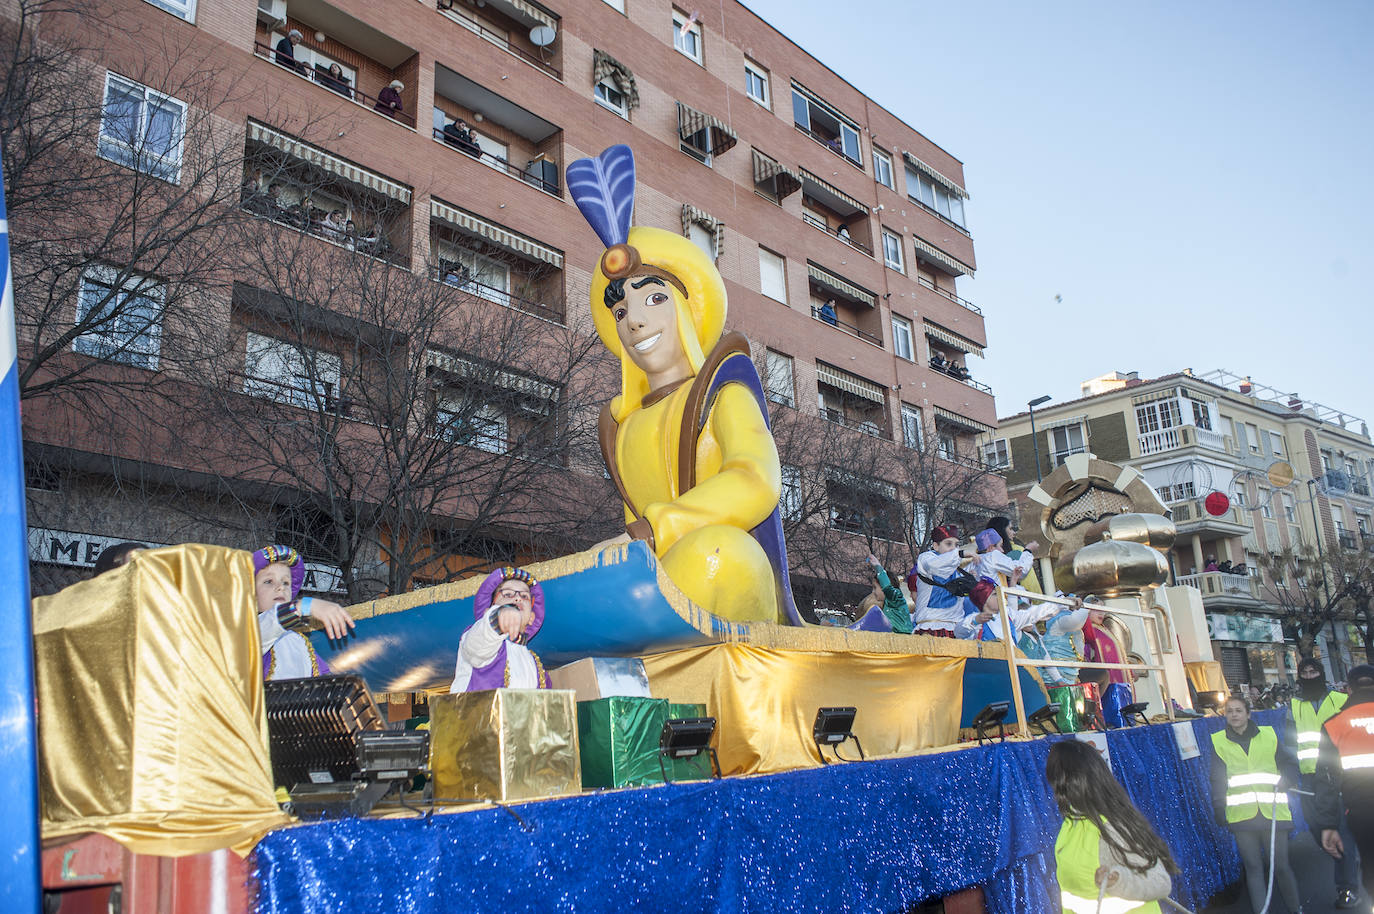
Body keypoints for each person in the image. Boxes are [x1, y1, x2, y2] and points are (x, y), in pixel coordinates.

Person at [568, 144, 801, 624]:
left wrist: (660, 527)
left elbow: (756, 479)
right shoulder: (620, 426)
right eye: (620, 311)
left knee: (718, 552)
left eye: (653, 298)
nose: (635, 320)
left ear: (684, 308)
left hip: (721, 569)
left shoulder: (724, 392)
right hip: (653, 576)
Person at [1047, 740, 1176, 913]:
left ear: (1063, 782)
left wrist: (1119, 881)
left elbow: (1160, 882)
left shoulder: (1110, 829)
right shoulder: (1071, 824)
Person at [1209, 693, 1302, 914]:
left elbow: (1289, 763)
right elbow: (1217, 778)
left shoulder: (1269, 736)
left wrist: (1287, 779)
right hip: (1241, 815)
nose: (1234, 715)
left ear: (1248, 714)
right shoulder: (1218, 741)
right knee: (1253, 867)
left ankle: (1296, 909)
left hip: (1273, 811)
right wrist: (1219, 806)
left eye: (1238, 710)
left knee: (1280, 866)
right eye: (1229, 711)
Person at [1291, 657, 1360, 907]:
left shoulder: (1340, 701)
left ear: (1321, 674)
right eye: (1305, 672)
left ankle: (1347, 887)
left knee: (1340, 828)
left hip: (1338, 774)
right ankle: (1347, 858)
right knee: (1317, 827)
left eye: (1314, 671)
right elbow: (1290, 742)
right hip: (1310, 777)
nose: (1309, 676)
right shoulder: (1294, 706)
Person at [1315, 664, 1374, 907]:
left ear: (1348, 689)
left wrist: (1328, 824)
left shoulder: (1334, 724)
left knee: (1370, 863)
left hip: (1360, 812)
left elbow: (1326, 779)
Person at [254, 545, 356, 681]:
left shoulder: (300, 643)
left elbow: (324, 684)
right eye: (269, 581)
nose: (280, 588)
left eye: (286, 582)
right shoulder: (248, 631)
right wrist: (305, 606)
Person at [450, 566, 550, 691]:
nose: (517, 598)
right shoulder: (482, 639)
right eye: (508, 594)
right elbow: (476, 648)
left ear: (531, 617)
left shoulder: (534, 664)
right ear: (488, 611)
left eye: (524, 596)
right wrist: (497, 619)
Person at [908, 523, 977, 636]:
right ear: (936, 546)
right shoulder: (926, 559)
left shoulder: (958, 571)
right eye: (948, 544)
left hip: (955, 629)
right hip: (931, 628)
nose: (953, 549)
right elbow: (936, 565)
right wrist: (960, 553)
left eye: (957, 545)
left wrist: (969, 581)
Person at [984, 516, 1042, 594]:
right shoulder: (1018, 550)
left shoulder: (979, 557)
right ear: (1002, 530)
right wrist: (1028, 550)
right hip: (1023, 598)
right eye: (1010, 529)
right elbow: (1026, 577)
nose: (1014, 533)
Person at [865, 554, 913, 634]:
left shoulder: (896, 598)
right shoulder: (887, 606)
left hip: (903, 639)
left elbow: (887, 587)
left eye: (875, 587)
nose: (873, 592)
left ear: (883, 586)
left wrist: (878, 568)